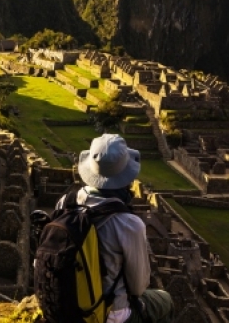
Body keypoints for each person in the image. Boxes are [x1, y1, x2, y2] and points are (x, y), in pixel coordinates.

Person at [55, 133, 173, 323]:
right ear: (127, 177)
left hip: (66, 304)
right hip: (108, 314)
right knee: (165, 301)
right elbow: (138, 287)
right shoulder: (128, 223)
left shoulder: (65, 203)